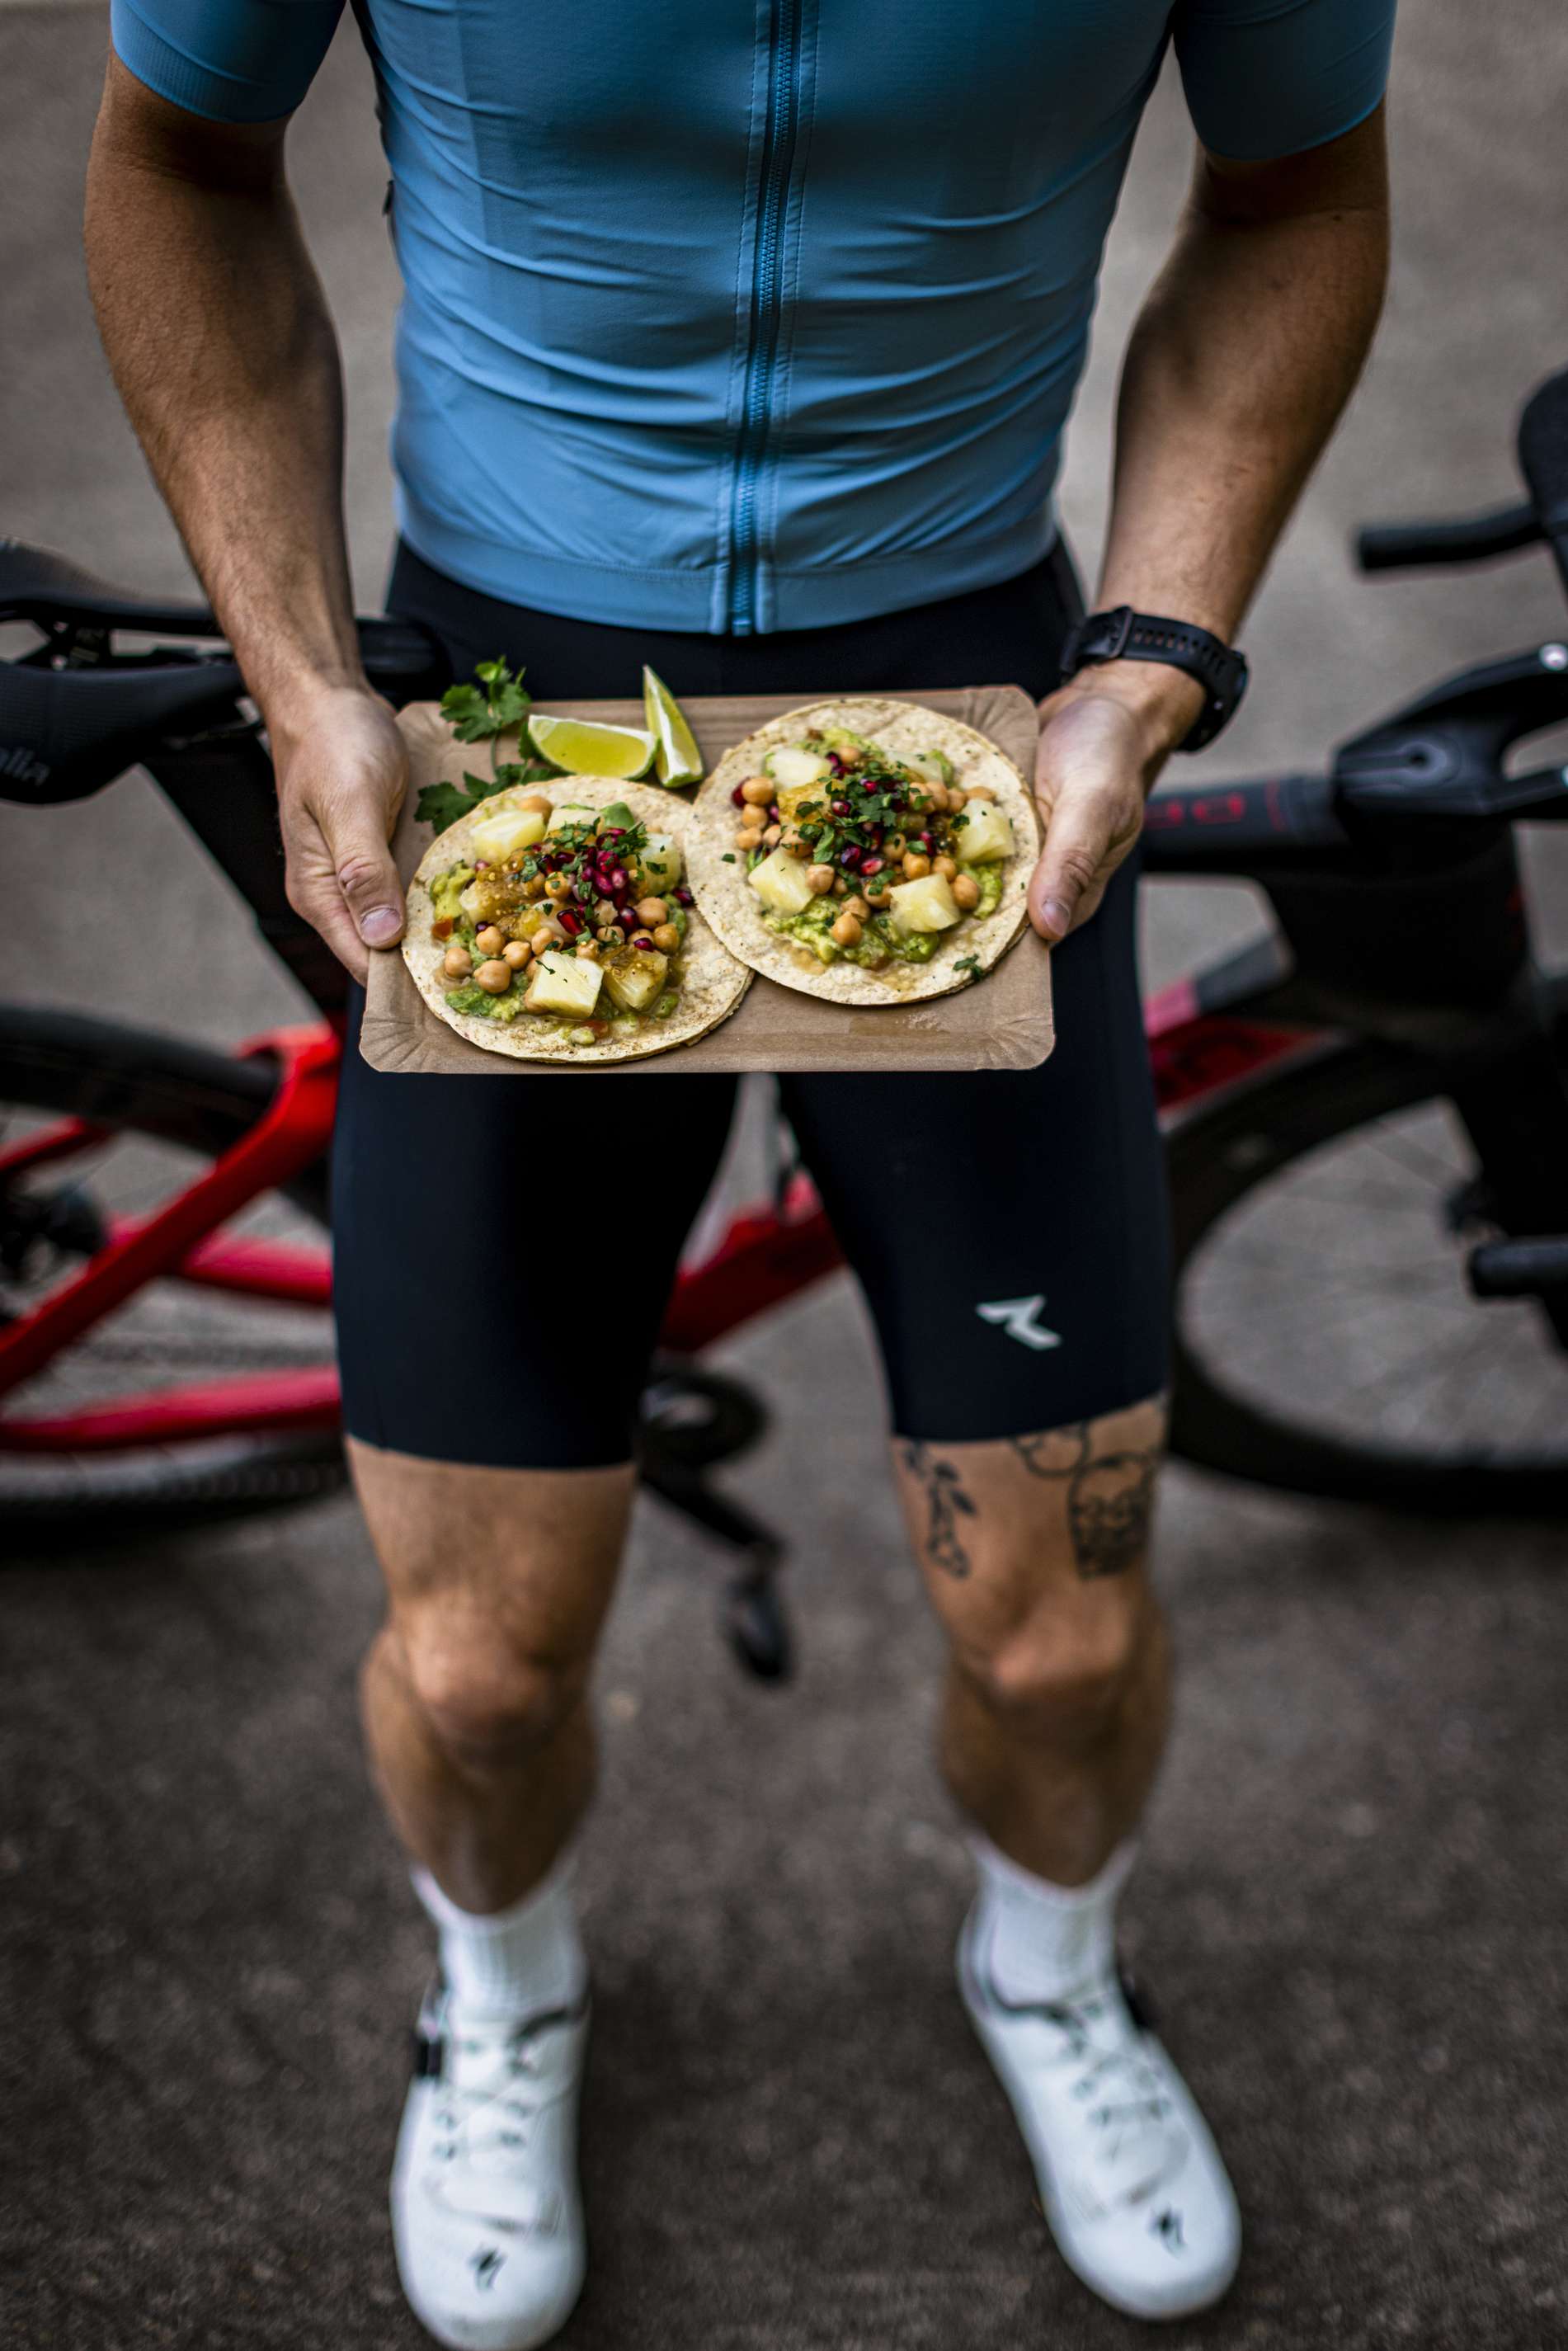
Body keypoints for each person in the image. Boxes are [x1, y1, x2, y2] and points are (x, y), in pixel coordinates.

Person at [86, 2, 1394, 2339]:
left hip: (974, 696)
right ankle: (499, 1996)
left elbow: (1298, 186)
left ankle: (1052, 1972)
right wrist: (301, 687)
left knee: (1061, 1629)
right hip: (508, 689)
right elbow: (178, 156)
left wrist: (1158, 651)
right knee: (481, 1669)